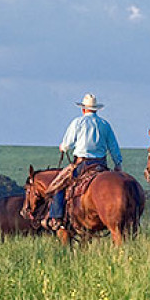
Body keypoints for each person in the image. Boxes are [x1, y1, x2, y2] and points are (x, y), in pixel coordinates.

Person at [46, 93, 123, 229]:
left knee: (59, 185)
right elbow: (113, 147)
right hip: (101, 164)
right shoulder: (105, 124)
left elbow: (67, 144)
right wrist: (118, 164)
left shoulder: (78, 122)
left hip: (83, 164)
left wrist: (62, 148)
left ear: (83, 109)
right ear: (96, 109)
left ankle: (57, 217)